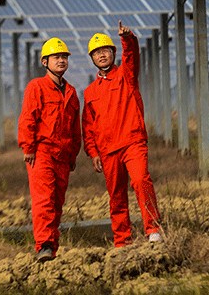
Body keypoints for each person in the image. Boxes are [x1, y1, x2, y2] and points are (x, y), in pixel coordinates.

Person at [82, 20, 162, 247]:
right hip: (108, 150)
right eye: (96, 53)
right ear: (93, 59)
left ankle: (153, 229)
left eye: (105, 50)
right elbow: (88, 127)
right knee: (116, 196)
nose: (102, 55)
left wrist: (127, 39)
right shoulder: (89, 92)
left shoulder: (126, 75)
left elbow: (132, 57)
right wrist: (93, 152)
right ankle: (122, 240)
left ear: (113, 53)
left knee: (140, 181)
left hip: (132, 141)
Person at [18, 37, 81, 262]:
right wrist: (28, 147)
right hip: (42, 152)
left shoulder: (72, 92)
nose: (61, 61)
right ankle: (43, 245)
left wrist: (73, 153)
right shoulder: (36, 87)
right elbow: (28, 118)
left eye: (64, 57)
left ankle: (51, 248)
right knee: (44, 199)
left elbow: (75, 126)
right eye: (57, 57)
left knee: (57, 202)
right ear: (45, 62)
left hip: (63, 155)